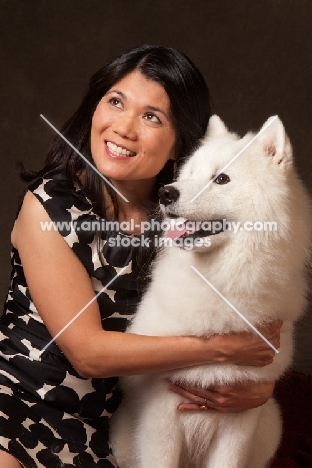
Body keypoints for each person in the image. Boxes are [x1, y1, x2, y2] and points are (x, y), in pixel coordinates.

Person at [0, 44, 281, 468]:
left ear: (177, 145)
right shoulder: (48, 205)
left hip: (111, 429)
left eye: (152, 116)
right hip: (15, 408)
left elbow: (250, 327)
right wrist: (226, 350)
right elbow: (88, 353)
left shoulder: (188, 220)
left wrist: (257, 387)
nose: (124, 128)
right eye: (115, 102)